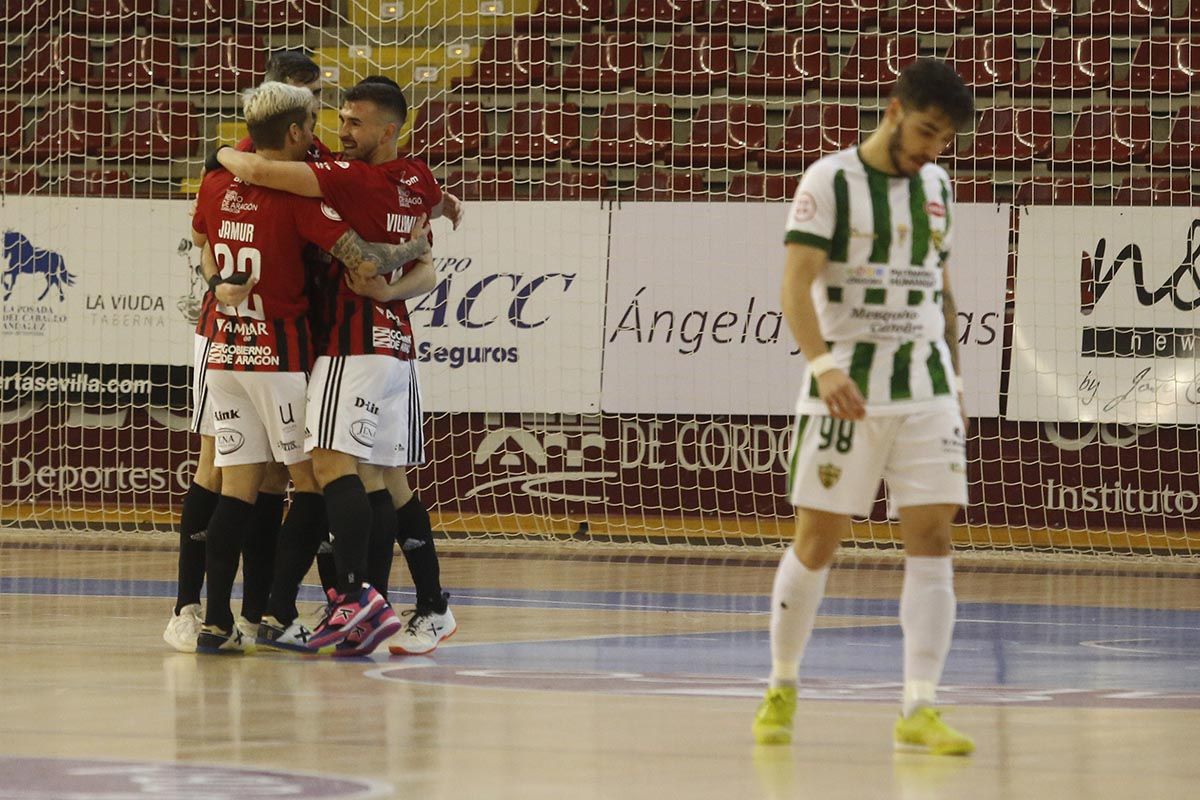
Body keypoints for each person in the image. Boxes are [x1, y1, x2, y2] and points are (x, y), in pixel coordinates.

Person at [751, 59, 976, 756]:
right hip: (846, 388)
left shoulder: (937, 186)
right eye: (927, 132)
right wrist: (821, 367)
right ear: (894, 109)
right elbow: (795, 285)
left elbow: (940, 290)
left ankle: (920, 705)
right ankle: (782, 683)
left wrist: (955, 384)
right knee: (818, 541)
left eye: (944, 140)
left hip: (926, 387)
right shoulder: (829, 181)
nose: (933, 150)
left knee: (934, 541)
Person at [216, 78, 460, 656]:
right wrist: (393, 284)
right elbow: (427, 266)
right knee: (383, 481)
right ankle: (426, 605)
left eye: (354, 122)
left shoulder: (355, 179)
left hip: (353, 343)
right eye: (339, 118)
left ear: (388, 129)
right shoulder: (418, 177)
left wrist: (221, 153)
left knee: (325, 464)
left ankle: (356, 599)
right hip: (393, 341)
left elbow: (262, 171)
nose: (342, 130)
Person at [163, 50, 333, 653]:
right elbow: (346, 248)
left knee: (251, 481)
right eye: (303, 101)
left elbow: (204, 233)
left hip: (243, 344)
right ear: (287, 112)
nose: (314, 114)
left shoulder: (227, 171)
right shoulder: (277, 178)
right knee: (289, 478)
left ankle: (233, 615)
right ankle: (233, 610)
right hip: (261, 345)